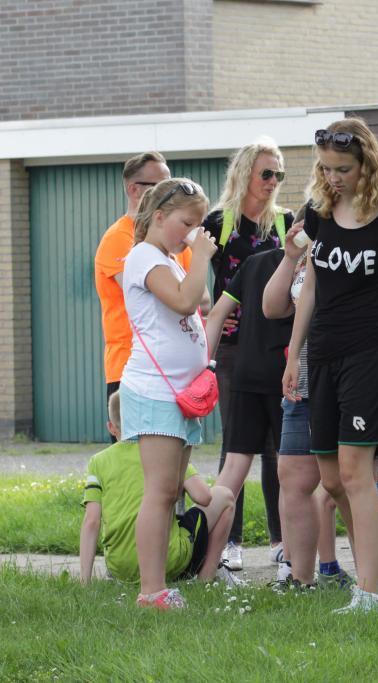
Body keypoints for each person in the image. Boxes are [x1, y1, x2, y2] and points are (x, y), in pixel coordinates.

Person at [283, 118, 378, 613]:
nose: (332, 177)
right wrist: (294, 354)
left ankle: (368, 594)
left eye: (342, 169)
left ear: (367, 165)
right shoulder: (317, 215)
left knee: (356, 472)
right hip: (323, 354)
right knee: (332, 478)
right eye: (325, 168)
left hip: (369, 355)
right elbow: (310, 290)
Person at [118, 177, 217, 608]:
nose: (192, 233)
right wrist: (203, 257)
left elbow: (200, 301)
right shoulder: (144, 256)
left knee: (171, 490)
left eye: (198, 224)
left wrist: (193, 260)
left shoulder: (169, 258)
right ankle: (151, 590)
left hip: (180, 394)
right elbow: (182, 302)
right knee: (160, 492)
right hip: (155, 391)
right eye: (186, 223)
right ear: (158, 216)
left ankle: (158, 584)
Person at [203, 139, 293, 570]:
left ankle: (281, 539)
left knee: (279, 444)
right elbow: (192, 277)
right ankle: (229, 541)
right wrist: (208, 318)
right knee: (235, 441)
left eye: (279, 174)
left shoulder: (285, 223)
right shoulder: (218, 223)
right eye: (266, 173)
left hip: (277, 347)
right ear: (244, 174)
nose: (273, 182)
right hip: (235, 348)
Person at [262, 215, 357, 588]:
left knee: (346, 481)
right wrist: (290, 256)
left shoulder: (351, 250)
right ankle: (301, 578)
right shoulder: (300, 262)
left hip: (344, 380)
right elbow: (271, 307)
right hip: (301, 385)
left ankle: (371, 575)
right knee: (293, 477)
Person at [79, 391, 238, 592]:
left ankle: (97, 579)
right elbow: (203, 497)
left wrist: (84, 583)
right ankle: (205, 579)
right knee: (225, 497)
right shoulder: (164, 454)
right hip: (168, 561)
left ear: (111, 427)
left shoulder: (97, 462)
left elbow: (92, 521)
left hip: (120, 568)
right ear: (145, 419)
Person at [94, 152, 196, 440]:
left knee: (175, 453)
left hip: (169, 367)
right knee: (134, 459)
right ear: (134, 189)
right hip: (131, 367)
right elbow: (165, 297)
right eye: (160, 186)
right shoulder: (118, 238)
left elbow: (197, 298)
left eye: (171, 185)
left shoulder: (175, 241)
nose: (170, 194)